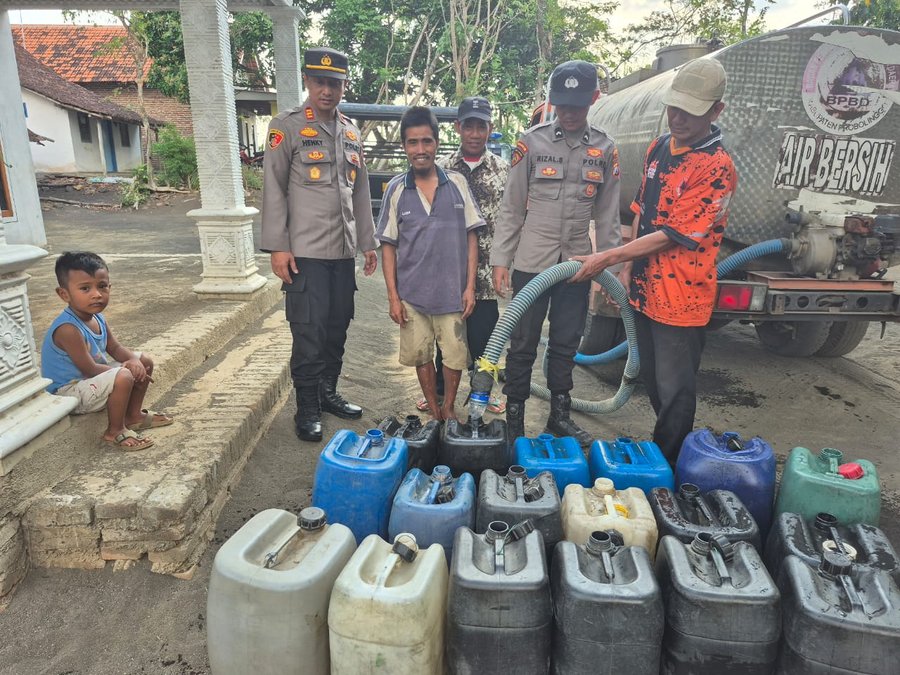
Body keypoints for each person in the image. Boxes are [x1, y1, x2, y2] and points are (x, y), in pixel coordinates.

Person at [571, 57, 737, 465]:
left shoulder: (716, 168)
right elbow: (643, 212)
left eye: (690, 112)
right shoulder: (658, 147)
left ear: (716, 110)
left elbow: (672, 236)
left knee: (675, 389)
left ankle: (669, 465)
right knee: (653, 382)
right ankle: (661, 456)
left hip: (682, 299)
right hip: (645, 290)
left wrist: (607, 257)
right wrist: (627, 270)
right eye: (673, 107)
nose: (677, 118)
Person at [492, 60, 622, 447]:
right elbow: (512, 208)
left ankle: (558, 417)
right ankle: (514, 417)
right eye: (562, 104)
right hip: (531, 263)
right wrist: (501, 260)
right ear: (552, 101)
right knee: (522, 344)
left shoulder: (605, 148)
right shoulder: (530, 143)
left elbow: (608, 216)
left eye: (578, 105)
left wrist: (607, 270)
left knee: (566, 344)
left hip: (577, 267)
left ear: (594, 99)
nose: (568, 113)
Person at [261, 47, 378, 442]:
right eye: (319, 81)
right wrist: (278, 245)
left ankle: (328, 393)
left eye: (335, 83)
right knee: (308, 333)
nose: (327, 90)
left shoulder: (350, 130)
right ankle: (307, 406)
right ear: (308, 82)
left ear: (344, 85)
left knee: (337, 327)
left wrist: (368, 242)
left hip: (342, 253)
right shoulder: (287, 125)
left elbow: (360, 191)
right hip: (305, 254)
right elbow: (274, 188)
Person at [377, 106, 483, 422]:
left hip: (452, 294)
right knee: (421, 353)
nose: (420, 150)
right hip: (413, 296)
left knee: (453, 355)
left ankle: (449, 408)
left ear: (437, 143)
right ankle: (433, 409)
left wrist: (469, 287)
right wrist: (394, 298)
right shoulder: (397, 189)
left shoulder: (457, 184)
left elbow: (472, 238)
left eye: (426, 141)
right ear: (404, 146)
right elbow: (388, 246)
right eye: (413, 143)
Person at [413, 96, 508, 415]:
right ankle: (438, 394)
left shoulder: (504, 171)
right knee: (445, 339)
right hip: (447, 274)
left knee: (486, 338)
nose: (475, 133)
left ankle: (485, 392)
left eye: (481, 126)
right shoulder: (440, 170)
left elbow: (511, 220)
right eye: (469, 126)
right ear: (458, 128)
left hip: (486, 275)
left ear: (489, 129)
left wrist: (505, 261)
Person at [41, 252, 173, 451]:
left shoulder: (96, 318)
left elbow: (115, 348)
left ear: (109, 287)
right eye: (85, 288)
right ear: (64, 294)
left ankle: (133, 415)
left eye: (102, 286)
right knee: (124, 375)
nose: (97, 294)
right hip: (68, 392)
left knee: (143, 360)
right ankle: (115, 430)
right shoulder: (68, 329)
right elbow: (90, 368)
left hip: (88, 381)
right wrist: (126, 370)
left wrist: (133, 362)